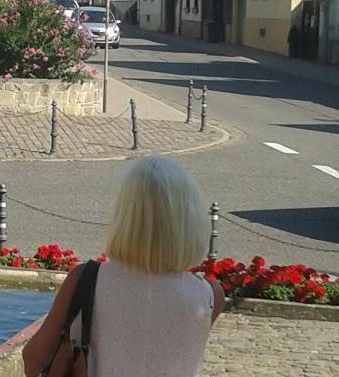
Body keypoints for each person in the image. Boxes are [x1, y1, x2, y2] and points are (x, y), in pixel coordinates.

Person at [22, 155, 225, 377]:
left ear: (124, 216)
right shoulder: (209, 295)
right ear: (189, 221)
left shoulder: (86, 279)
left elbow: (33, 360)